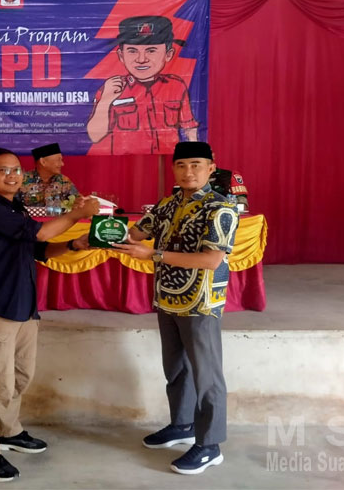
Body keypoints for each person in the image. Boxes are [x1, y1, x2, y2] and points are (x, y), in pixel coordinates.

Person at [0, 147, 99, 482]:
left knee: (19, 376)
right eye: (2, 170)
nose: (12, 176)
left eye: (16, 170)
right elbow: (39, 233)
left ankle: (7, 431)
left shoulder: (16, 208)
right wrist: (77, 214)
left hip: (23, 308)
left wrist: (74, 245)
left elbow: (40, 248)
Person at [112, 141, 238, 475]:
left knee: (207, 375)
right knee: (176, 367)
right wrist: (101, 223)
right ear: (173, 169)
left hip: (201, 301)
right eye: (181, 165)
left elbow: (211, 260)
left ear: (211, 168)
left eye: (196, 164)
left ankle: (210, 445)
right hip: (168, 296)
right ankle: (182, 425)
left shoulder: (221, 207)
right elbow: (135, 234)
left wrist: (153, 255)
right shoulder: (167, 204)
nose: (188, 171)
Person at [86, 16, 199, 155]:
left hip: (167, 161)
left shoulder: (176, 85)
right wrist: (105, 101)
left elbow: (189, 127)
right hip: (126, 163)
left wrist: (196, 154)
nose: (141, 59)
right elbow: (95, 136)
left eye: (151, 50)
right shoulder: (112, 87)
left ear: (168, 54)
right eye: (132, 51)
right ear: (121, 55)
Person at [17, 143, 80, 207]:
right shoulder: (22, 180)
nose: (62, 164)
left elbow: (78, 201)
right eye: (58, 160)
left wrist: (79, 202)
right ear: (43, 162)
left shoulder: (64, 181)